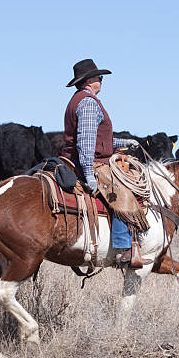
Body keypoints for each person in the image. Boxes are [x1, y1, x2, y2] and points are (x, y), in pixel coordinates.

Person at [61, 58, 143, 269]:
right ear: (89, 81)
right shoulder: (88, 103)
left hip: (82, 159)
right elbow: (86, 143)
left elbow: (99, 139)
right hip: (93, 164)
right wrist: (89, 174)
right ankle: (124, 249)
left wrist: (127, 142)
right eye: (99, 77)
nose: (101, 80)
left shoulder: (79, 100)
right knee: (123, 193)